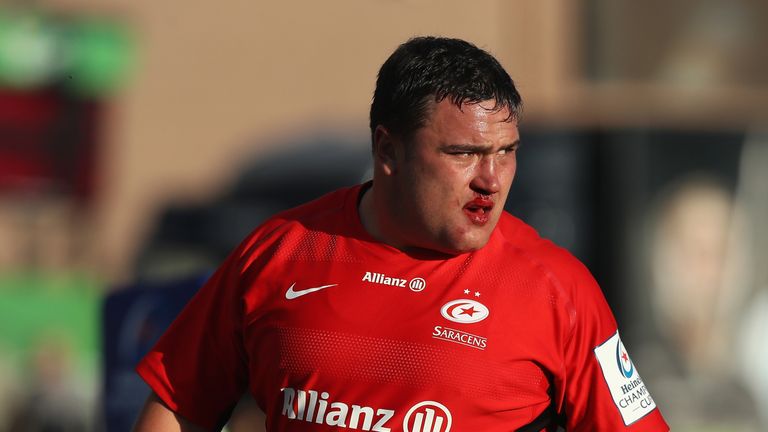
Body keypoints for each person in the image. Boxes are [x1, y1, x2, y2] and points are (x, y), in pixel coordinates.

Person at [132, 36, 669, 431]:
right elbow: (178, 405)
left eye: (506, 152)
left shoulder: (556, 287)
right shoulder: (282, 250)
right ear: (388, 151)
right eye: (464, 153)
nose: (491, 179)